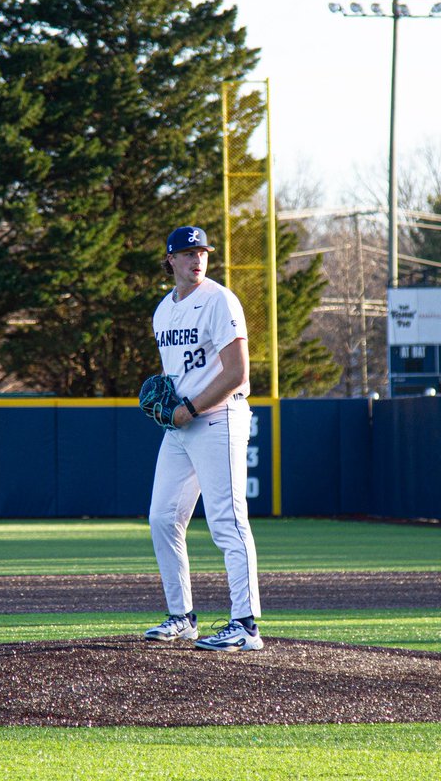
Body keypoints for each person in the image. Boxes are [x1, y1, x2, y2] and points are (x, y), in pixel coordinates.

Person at [142, 225, 263, 652]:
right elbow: (177, 375)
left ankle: (246, 626)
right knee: (162, 518)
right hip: (180, 427)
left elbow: (237, 373)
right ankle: (182, 617)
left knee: (227, 522)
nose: (197, 259)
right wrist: (172, 403)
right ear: (170, 260)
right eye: (188, 252)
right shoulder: (162, 311)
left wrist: (188, 408)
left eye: (203, 252)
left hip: (218, 419)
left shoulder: (219, 300)